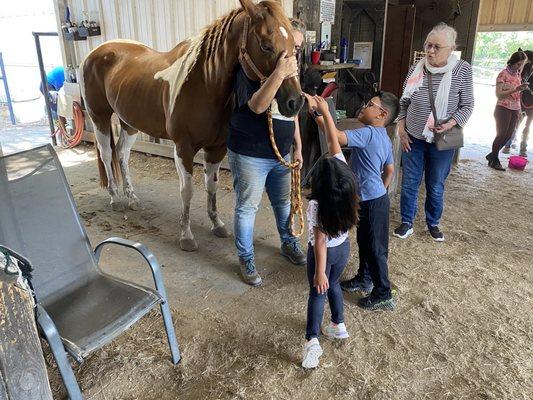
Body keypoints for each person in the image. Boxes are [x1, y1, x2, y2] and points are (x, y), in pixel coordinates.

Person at [228, 20, 306, 286]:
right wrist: (280, 73)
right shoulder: (252, 69)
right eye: (290, 47)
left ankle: (288, 242)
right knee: (247, 207)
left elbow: (292, 112)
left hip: (281, 154)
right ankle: (246, 258)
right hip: (250, 153)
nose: (292, 53)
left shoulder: (290, 70)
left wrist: (298, 146)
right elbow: (258, 106)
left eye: (297, 48)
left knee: (284, 203)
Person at [309, 91, 399, 313]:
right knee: (366, 242)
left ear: (382, 114)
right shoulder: (384, 136)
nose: (364, 106)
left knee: (376, 248)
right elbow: (389, 169)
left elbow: (337, 139)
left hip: (372, 201)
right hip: (374, 200)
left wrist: (326, 113)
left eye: (370, 104)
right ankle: (364, 278)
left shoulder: (368, 133)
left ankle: (383, 293)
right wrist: (316, 115)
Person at [394, 23, 474, 242]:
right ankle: (407, 221)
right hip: (413, 137)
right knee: (410, 181)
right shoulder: (416, 68)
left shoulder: (462, 70)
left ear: (451, 48)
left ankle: (433, 223)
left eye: (436, 47)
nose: (430, 51)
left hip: (442, 139)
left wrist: (451, 124)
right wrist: (401, 129)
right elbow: (404, 102)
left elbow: (467, 105)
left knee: (435, 183)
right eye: (428, 45)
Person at [301, 94, 359, 369]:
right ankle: (338, 324)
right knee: (334, 285)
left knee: (318, 291)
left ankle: (312, 341)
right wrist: (324, 112)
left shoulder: (316, 204)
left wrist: (319, 271)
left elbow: (320, 241)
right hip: (344, 248)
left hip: (323, 255)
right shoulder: (347, 183)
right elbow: (335, 148)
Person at [487, 50, 529, 170]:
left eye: (522, 65)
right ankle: (495, 160)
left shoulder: (518, 75)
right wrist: (516, 89)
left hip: (515, 108)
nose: (520, 67)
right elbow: (499, 95)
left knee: (509, 135)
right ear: (513, 62)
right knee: (501, 134)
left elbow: (517, 92)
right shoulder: (503, 74)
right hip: (503, 107)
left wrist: (521, 90)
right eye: (518, 64)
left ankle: (492, 155)